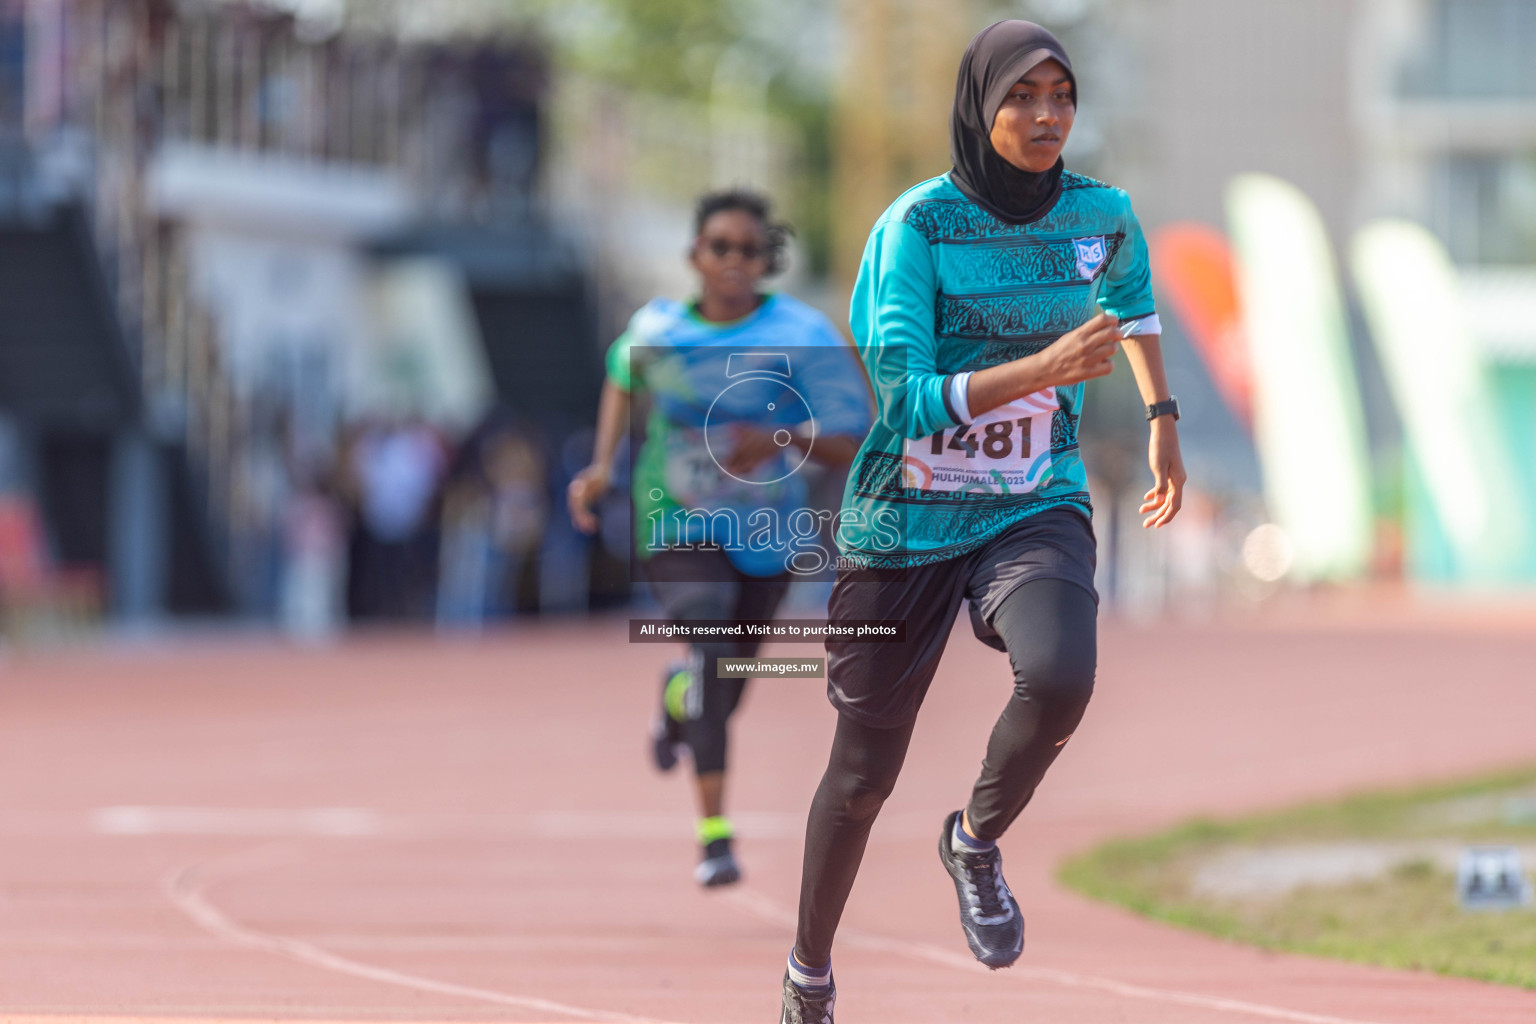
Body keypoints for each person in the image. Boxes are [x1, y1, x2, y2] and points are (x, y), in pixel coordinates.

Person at [778, 22, 1186, 1021]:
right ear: (979, 105)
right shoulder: (916, 227)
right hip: (906, 511)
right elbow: (906, 396)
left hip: (1030, 498)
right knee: (863, 773)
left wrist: (1165, 420)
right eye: (1024, 98)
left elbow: (1131, 308)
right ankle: (808, 972)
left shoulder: (1102, 213)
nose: (1047, 116)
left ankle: (974, 839)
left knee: (1060, 673)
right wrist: (1040, 370)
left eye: (1062, 97)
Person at [568, 189, 873, 888]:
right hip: (674, 520)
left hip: (767, 532)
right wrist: (602, 464)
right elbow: (622, 376)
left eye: (748, 249)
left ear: (767, 259)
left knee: (725, 684)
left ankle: (679, 701)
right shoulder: (660, 327)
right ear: (694, 256)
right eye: (720, 247)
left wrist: (781, 436)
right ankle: (714, 835)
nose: (733, 261)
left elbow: (852, 439)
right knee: (709, 643)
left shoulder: (803, 333)